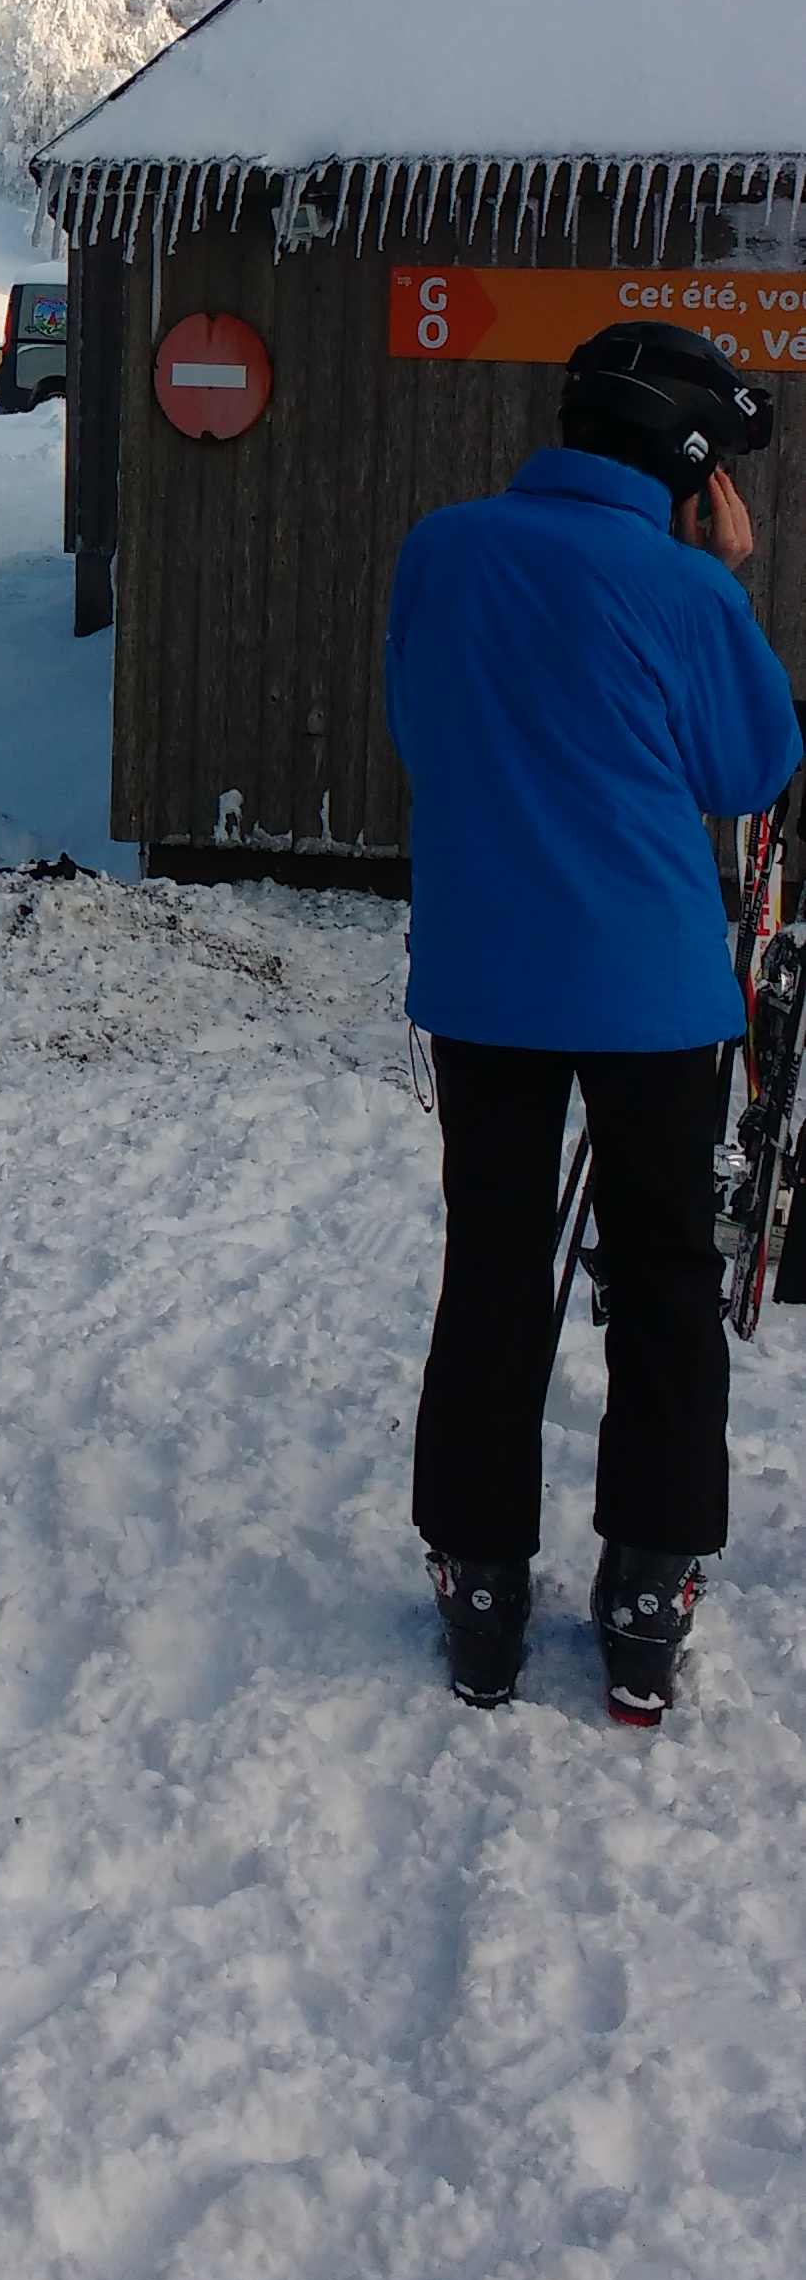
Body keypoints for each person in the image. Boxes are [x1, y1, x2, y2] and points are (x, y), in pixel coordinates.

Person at [385, 322, 800, 1724]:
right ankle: (646, 1591)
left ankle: (481, 1585)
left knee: (494, 1266)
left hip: (487, 976)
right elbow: (750, 767)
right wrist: (725, 581)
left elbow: (421, 727)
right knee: (667, 1276)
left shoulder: (442, 550)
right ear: (693, 465)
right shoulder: (686, 588)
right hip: (650, 992)